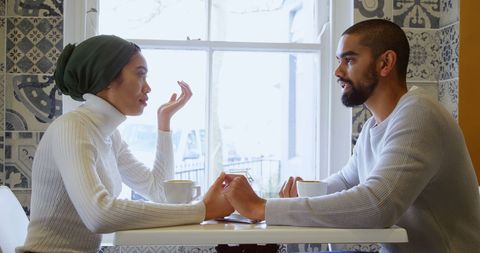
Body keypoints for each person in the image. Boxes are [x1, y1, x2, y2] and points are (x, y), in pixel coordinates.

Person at [222, 19, 480, 253]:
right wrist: (304, 193)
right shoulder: (373, 128)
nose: (338, 71)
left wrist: (262, 207)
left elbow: (377, 205)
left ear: (385, 63)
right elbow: (347, 181)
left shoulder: (420, 114)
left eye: (349, 60)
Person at [18, 35, 233, 253]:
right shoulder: (72, 128)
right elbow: (99, 214)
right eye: (140, 74)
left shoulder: (109, 136)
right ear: (108, 78)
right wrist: (202, 210)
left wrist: (164, 122)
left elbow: (159, 191)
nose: (147, 88)